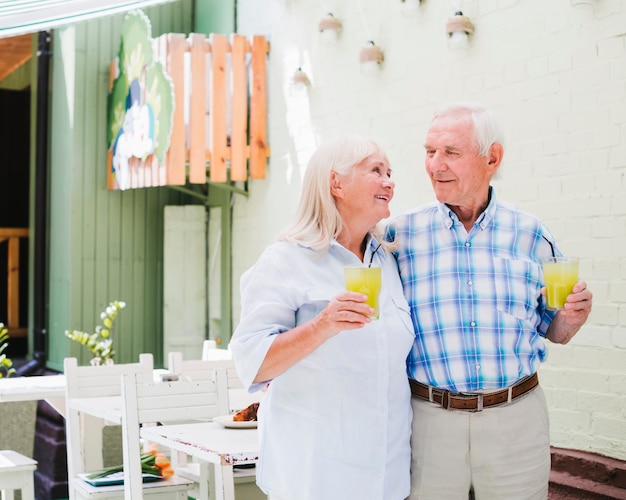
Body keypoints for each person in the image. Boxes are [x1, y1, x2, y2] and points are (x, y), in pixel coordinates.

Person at [386, 102, 593, 499]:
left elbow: (557, 329)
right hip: (429, 424)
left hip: (516, 423)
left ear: (492, 158)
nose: (434, 165)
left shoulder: (533, 234)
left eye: (450, 152)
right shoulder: (397, 237)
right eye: (429, 152)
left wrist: (574, 316)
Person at [230, 136, 415, 500]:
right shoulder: (286, 259)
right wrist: (322, 325)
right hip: (315, 476)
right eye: (376, 170)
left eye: (390, 172)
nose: (389, 181)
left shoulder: (388, 259)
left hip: (386, 476)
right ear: (336, 183)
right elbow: (252, 362)